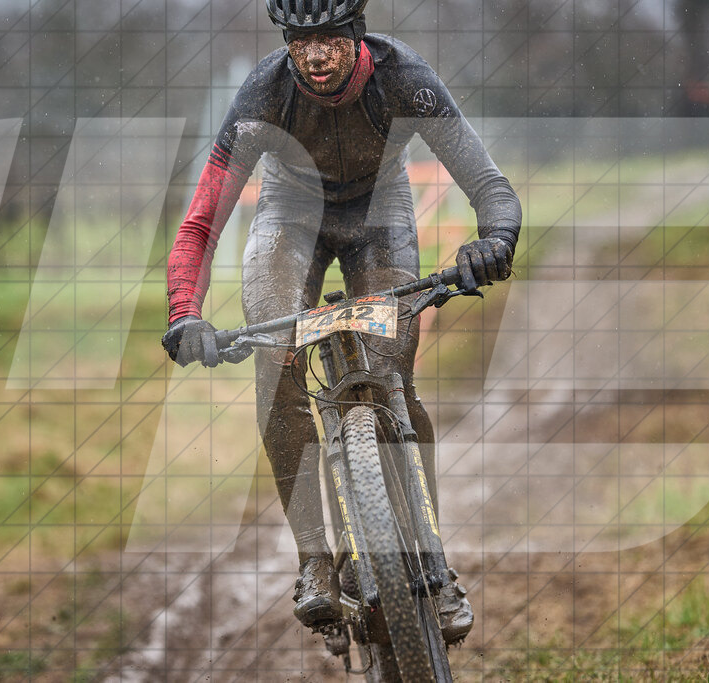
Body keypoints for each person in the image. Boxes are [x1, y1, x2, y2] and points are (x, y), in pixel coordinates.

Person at [161, 0, 521, 643]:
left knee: (394, 379)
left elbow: (488, 183)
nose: (316, 55)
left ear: (357, 36)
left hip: (379, 217)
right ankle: (314, 564)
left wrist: (492, 239)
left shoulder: (403, 77)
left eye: (330, 38)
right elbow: (199, 225)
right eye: (301, 40)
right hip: (288, 217)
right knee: (278, 367)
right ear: (287, 42)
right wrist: (184, 311)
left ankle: (433, 567)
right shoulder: (263, 95)